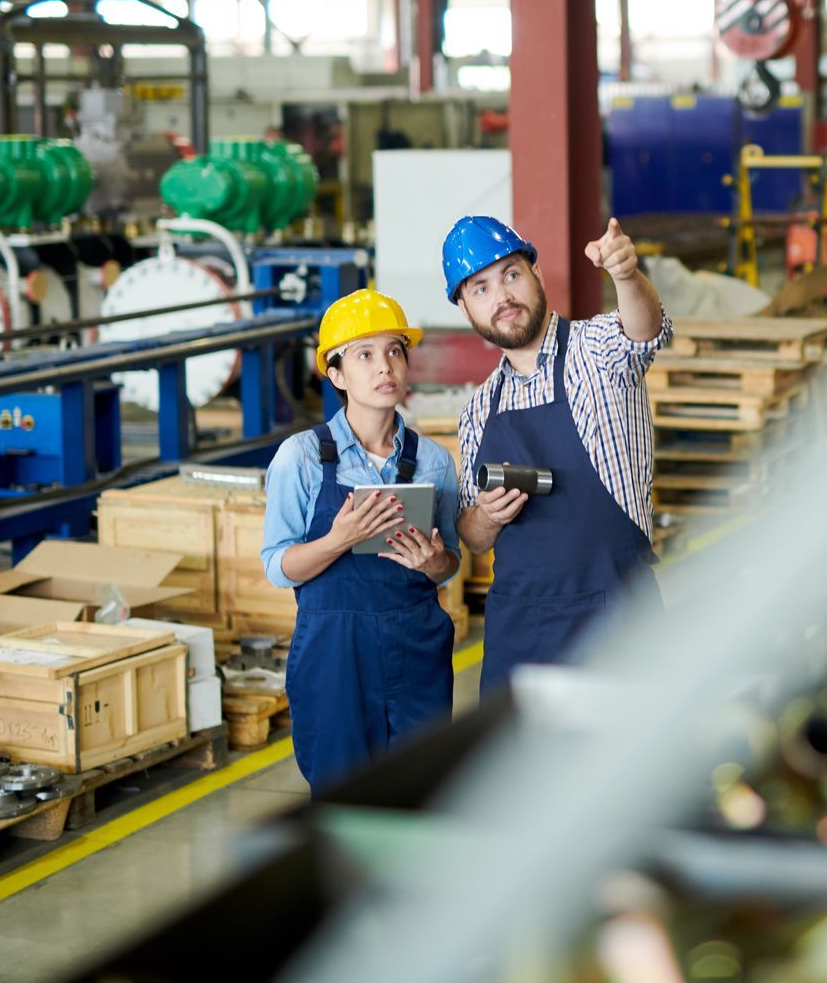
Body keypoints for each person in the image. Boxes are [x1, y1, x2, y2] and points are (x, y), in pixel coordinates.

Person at [444, 215, 668, 696]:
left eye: (511, 275)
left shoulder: (598, 353)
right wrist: (486, 515)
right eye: (480, 289)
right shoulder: (478, 410)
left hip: (619, 617)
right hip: (521, 631)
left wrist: (626, 276)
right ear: (466, 309)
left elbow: (644, 329)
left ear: (537, 275)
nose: (501, 297)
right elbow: (473, 537)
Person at [259, 288, 461, 790]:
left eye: (395, 350)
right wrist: (337, 539)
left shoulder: (433, 462)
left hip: (415, 646)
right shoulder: (301, 458)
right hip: (335, 655)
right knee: (341, 794)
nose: (384, 366)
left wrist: (434, 562)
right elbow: (277, 567)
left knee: (421, 787)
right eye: (364, 354)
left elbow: (451, 562)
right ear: (336, 375)